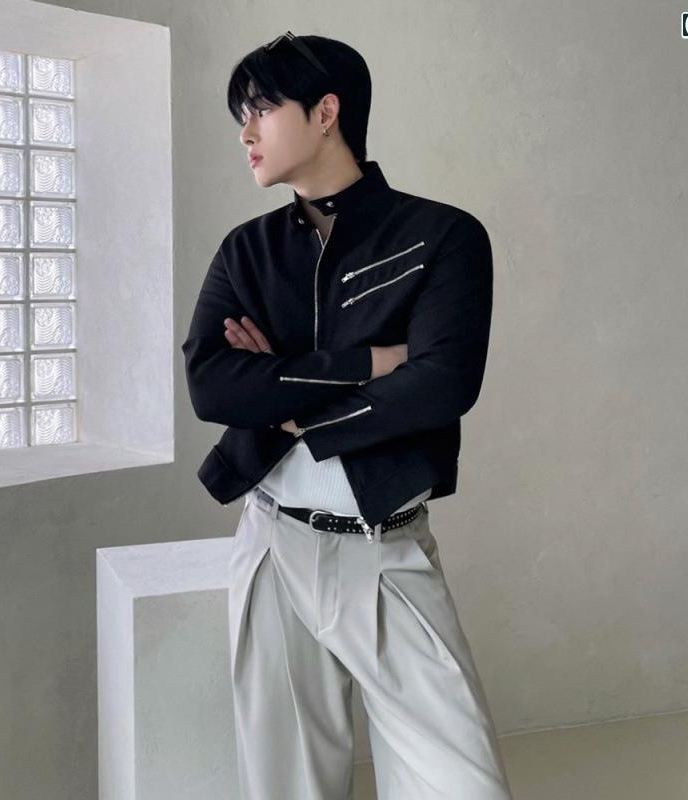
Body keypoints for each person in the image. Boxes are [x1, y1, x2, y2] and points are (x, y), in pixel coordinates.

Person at [181, 30, 514, 800]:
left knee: (461, 784)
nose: (245, 132)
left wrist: (289, 402)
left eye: (261, 109)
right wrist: (368, 363)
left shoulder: (443, 237)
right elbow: (213, 387)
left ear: (325, 112)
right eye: (241, 115)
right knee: (287, 786)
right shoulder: (247, 251)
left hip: (384, 549)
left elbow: (442, 384)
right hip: (271, 545)